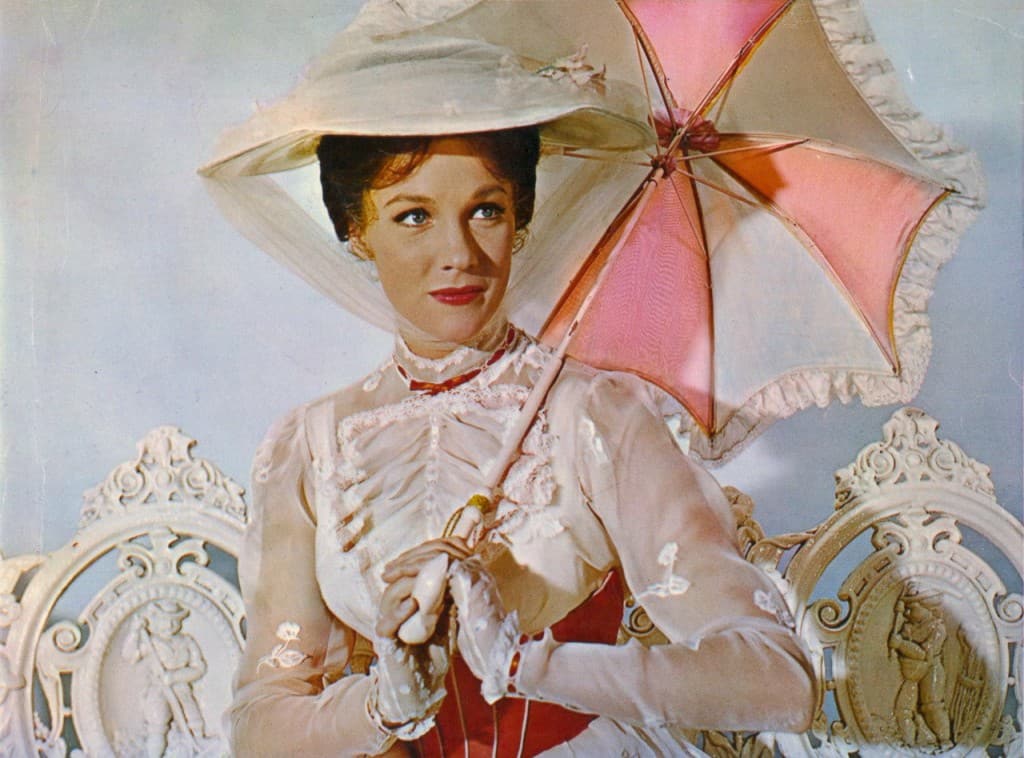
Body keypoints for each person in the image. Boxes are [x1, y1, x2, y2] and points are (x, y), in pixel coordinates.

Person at [201, 3, 816, 755]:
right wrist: (384, 704)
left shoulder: (594, 413)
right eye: (413, 216)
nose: (458, 254)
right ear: (355, 230)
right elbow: (261, 728)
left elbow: (779, 681)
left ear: (521, 218)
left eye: (485, 210)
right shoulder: (311, 444)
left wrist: (524, 663)